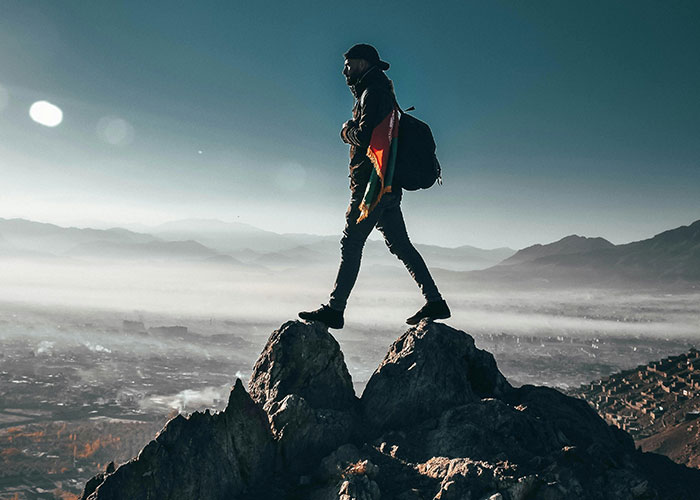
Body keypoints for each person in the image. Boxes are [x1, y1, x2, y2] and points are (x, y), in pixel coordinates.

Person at [299, 43, 450, 329]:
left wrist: (346, 130)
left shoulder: (373, 93)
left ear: (362, 63)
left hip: (373, 187)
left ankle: (335, 308)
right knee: (401, 246)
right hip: (386, 185)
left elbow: (366, 137)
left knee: (351, 242)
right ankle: (435, 301)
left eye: (347, 64)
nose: (343, 71)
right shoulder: (381, 91)